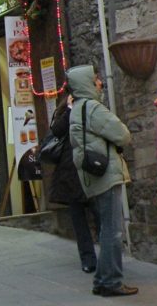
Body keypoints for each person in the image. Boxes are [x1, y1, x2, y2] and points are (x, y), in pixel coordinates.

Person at [67, 64, 137, 298]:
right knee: (112, 231)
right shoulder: (93, 108)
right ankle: (110, 281)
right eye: (96, 79)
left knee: (108, 228)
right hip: (105, 174)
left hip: (92, 175)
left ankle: (102, 279)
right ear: (87, 83)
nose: (100, 83)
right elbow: (123, 135)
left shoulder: (77, 107)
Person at [49, 94, 98, 273]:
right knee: (79, 218)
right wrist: (69, 109)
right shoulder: (64, 110)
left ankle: (107, 255)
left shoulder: (92, 106)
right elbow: (56, 130)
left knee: (99, 214)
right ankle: (88, 258)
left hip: (90, 167)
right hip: (70, 172)